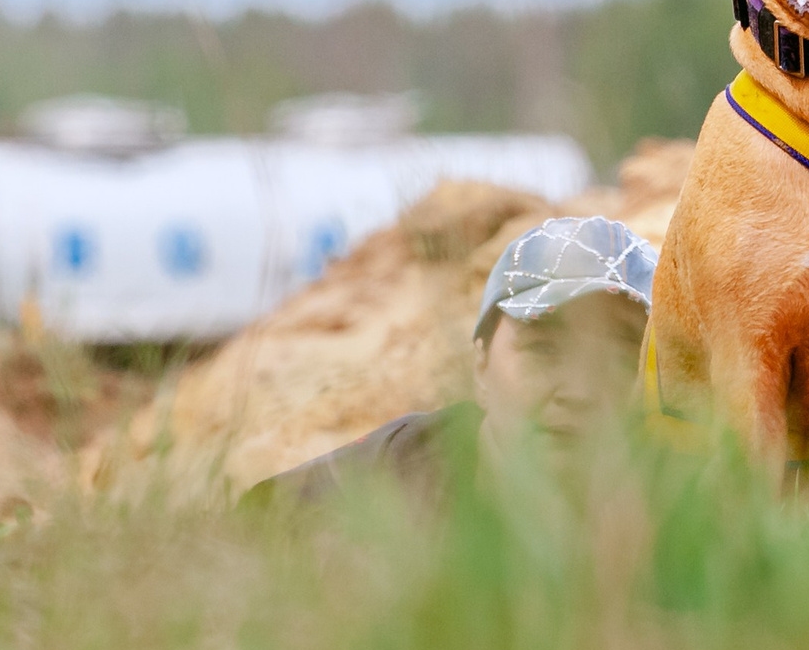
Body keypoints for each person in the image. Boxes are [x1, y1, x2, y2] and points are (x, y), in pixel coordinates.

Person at [242, 215, 656, 511]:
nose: (581, 390)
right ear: (480, 369)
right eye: (545, 350)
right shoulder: (369, 499)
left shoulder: (690, 524)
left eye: (618, 358)